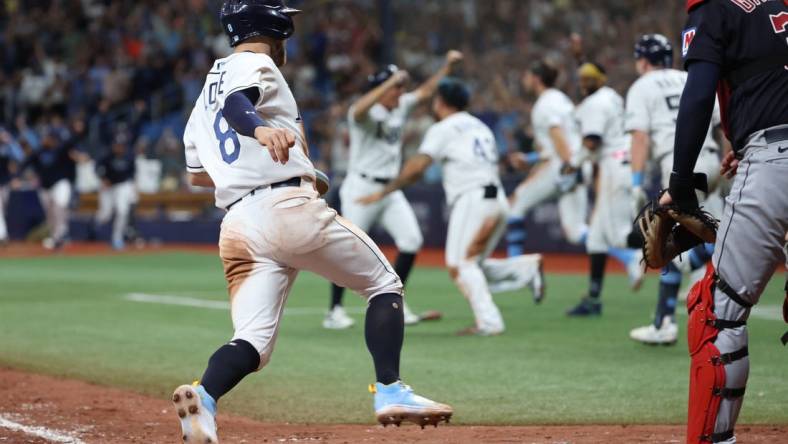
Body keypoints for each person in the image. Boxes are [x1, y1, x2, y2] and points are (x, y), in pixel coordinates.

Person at [172, 2, 452, 441]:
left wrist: (252, 171)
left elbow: (196, 176)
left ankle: (203, 398)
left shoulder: (201, 96)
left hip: (238, 225)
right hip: (286, 207)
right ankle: (391, 389)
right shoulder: (255, 63)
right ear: (272, 26)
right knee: (383, 284)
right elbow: (236, 106)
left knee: (252, 343)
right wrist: (262, 132)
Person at [661, 0, 788, 442]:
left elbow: (698, 94)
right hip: (769, 145)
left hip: (775, 159)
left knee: (716, 314)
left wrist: (680, 182)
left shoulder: (715, 7)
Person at [358, 78, 544, 336]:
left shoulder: (445, 127)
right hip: (495, 198)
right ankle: (525, 268)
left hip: (473, 198)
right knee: (471, 264)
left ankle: (489, 322)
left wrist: (386, 191)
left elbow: (418, 167)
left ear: (441, 102)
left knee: (461, 265)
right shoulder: (480, 125)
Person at [326, 54, 462, 330]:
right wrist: (387, 85)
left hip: (389, 189)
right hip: (361, 188)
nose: (401, 92)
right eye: (396, 88)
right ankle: (334, 311)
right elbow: (357, 110)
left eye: (401, 88)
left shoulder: (400, 105)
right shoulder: (366, 112)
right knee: (349, 250)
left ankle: (394, 302)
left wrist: (446, 66)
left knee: (411, 240)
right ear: (382, 89)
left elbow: (425, 92)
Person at [625, 34, 724, 345]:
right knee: (690, 236)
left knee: (665, 239)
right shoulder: (689, 76)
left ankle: (663, 323)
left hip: (681, 169)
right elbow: (724, 124)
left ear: (642, 61)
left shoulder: (642, 86)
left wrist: (636, 183)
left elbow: (640, 138)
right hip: (713, 163)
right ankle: (668, 315)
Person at [565, 62, 643, 317]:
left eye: (589, 78)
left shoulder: (595, 103)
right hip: (622, 161)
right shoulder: (610, 95)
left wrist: (572, 164)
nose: (584, 82)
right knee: (597, 238)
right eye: (581, 78)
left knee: (618, 236)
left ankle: (678, 242)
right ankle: (593, 299)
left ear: (601, 79)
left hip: (614, 166)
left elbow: (592, 141)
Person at [506, 60, 591, 258]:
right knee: (575, 232)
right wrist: (530, 158)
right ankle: (629, 256)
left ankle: (516, 266)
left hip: (564, 166)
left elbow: (558, 137)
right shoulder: (562, 99)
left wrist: (570, 167)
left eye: (527, 76)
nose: (524, 80)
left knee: (514, 206)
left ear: (536, 79)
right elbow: (556, 146)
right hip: (576, 163)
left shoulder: (544, 104)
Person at [14, 129, 78, 250]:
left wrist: (77, 131)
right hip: (44, 186)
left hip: (60, 183)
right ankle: (56, 238)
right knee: (50, 213)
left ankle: (61, 233)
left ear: (53, 139)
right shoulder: (39, 152)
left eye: (48, 138)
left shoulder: (60, 150)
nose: (45, 140)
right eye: (44, 138)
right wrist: (17, 177)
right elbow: (24, 164)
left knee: (59, 206)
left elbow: (71, 143)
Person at [94, 133, 138, 250]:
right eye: (117, 145)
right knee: (105, 215)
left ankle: (117, 238)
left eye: (121, 145)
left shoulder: (129, 156)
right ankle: (93, 227)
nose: (119, 147)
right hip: (108, 186)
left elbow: (132, 173)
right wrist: (103, 179)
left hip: (122, 185)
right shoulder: (107, 155)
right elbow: (97, 168)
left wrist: (133, 187)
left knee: (122, 211)